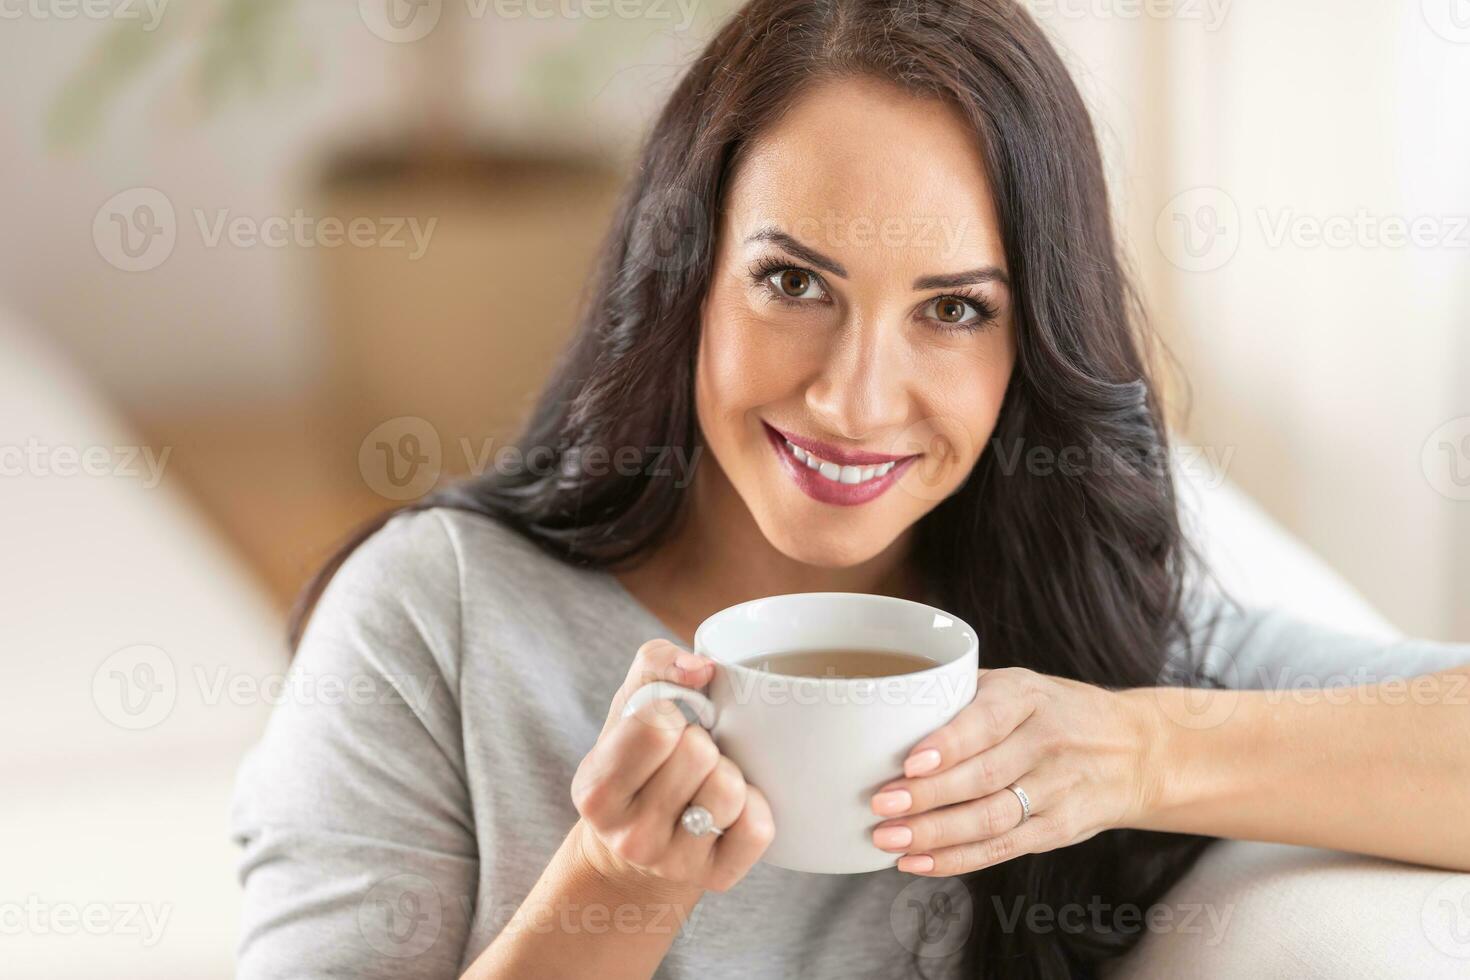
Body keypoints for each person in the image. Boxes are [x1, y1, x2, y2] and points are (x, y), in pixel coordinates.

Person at [229, 1, 1470, 977]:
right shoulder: (431, 622)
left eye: (953, 309)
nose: (854, 399)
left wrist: (1142, 747)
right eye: (794, 282)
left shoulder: (1085, 647)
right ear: (688, 273)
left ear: (1028, 345)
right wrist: (619, 881)